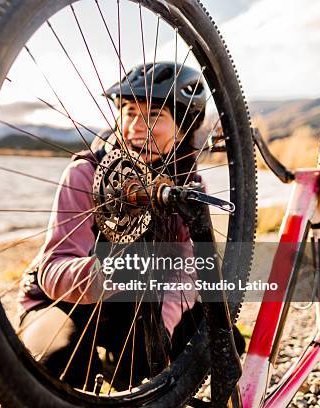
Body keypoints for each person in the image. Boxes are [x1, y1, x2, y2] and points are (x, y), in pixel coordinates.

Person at [17, 63, 245, 388]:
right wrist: (107, 273)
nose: (137, 127)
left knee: (222, 340)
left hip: (136, 306)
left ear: (183, 128)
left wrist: (162, 330)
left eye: (154, 115)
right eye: (128, 112)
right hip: (64, 303)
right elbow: (53, 269)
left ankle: (126, 371)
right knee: (62, 357)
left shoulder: (188, 186)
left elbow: (188, 268)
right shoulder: (86, 173)